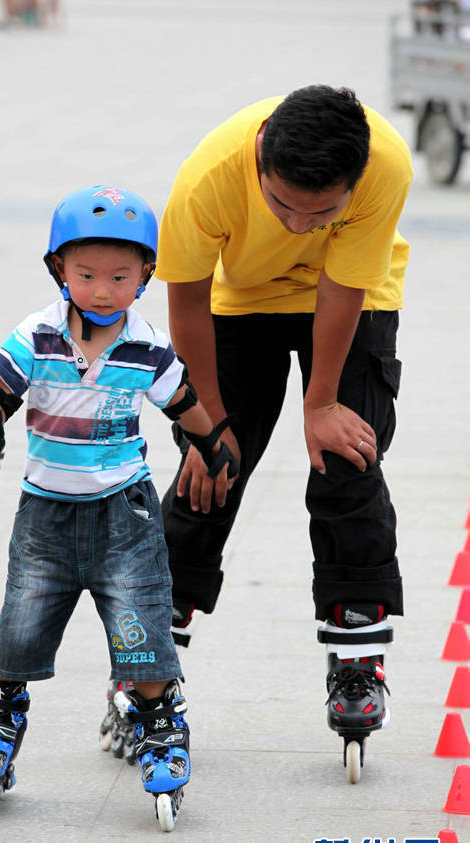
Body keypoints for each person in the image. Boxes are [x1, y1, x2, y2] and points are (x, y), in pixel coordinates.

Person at [0, 185, 236, 829]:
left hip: (125, 516)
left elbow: (183, 398)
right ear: (59, 270)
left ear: (145, 277)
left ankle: (160, 724)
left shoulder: (148, 344)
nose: (103, 289)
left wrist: (212, 445)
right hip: (45, 516)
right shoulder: (38, 334)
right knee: (21, 624)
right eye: (86, 275)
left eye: (120, 276)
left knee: (141, 626)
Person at [154, 86, 413, 771]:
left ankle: (356, 653)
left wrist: (320, 402)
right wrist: (205, 426)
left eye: (321, 212)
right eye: (280, 206)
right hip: (235, 305)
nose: (299, 226)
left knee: (346, 456)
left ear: (352, 184)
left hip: (351, 302)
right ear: (261, 159)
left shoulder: (385, 164)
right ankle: (146, 662)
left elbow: (342, 285)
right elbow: (184, 301)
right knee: (208, 473)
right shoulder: (208, 176)